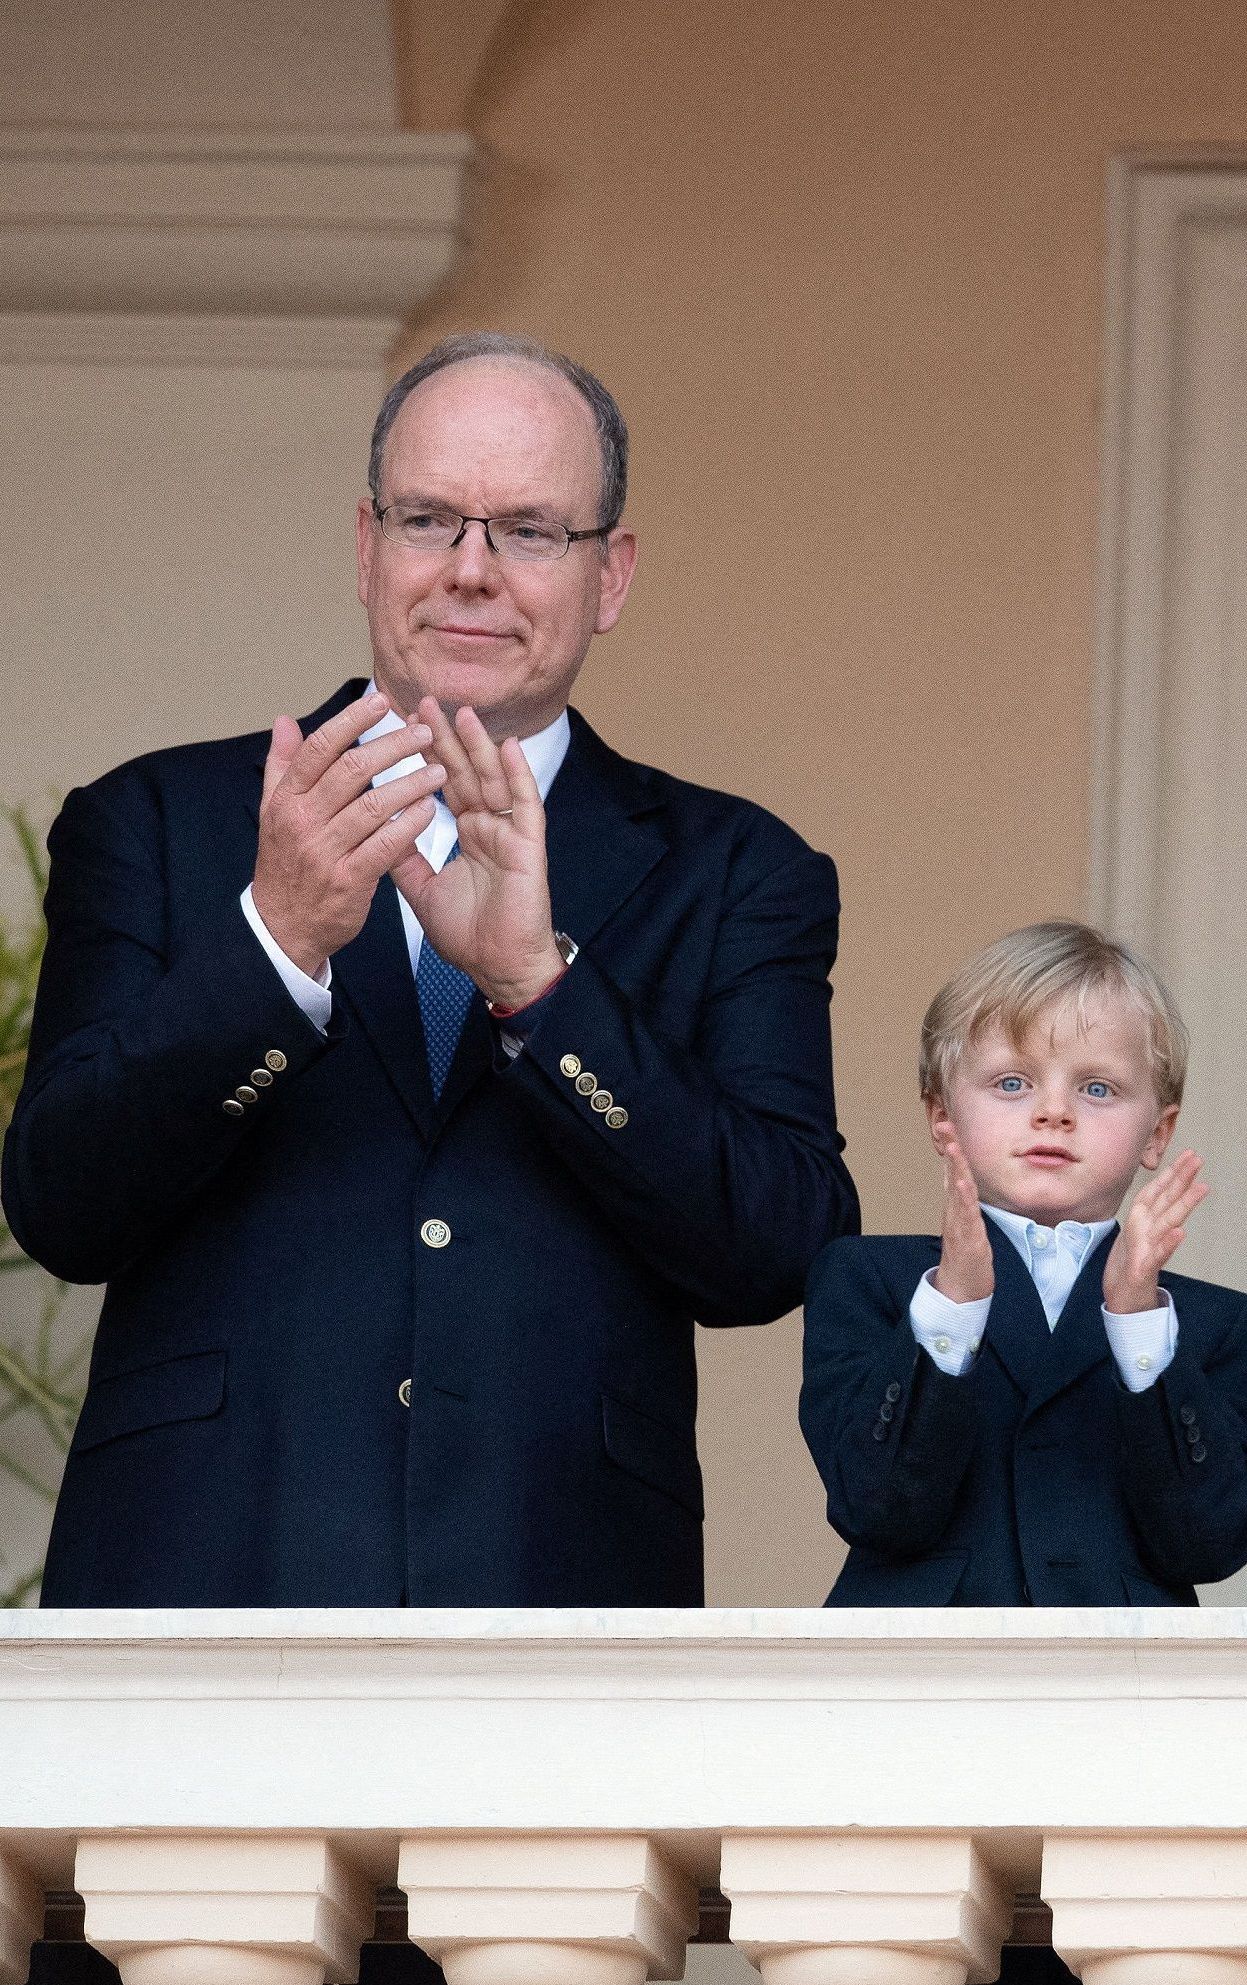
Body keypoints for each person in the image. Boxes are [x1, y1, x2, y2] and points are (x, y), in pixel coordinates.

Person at [2, 332, 859, 1606]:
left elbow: (781, 1248)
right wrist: (276, 944)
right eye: (429, 519)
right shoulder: (158, 821)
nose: (471, 570)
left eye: (527, 529)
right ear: (366, 546)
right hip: (201, 1584)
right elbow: (62, 1204)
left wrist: (543, 988)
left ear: (610, 574)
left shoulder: (739, 868)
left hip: (556, 1599)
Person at [799, 920, 1247, 1604]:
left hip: (1124, 1696)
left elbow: (1211, 1541)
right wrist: (955, 1304)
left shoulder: (1217, 1325)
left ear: (1159, 1133)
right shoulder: (870, 1281)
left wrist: (1137, 1323)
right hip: (918, 1693)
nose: (1053, 1111)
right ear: (943, 1116)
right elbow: (877, 1508)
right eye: (1012, 1082)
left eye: (1098, 1089)